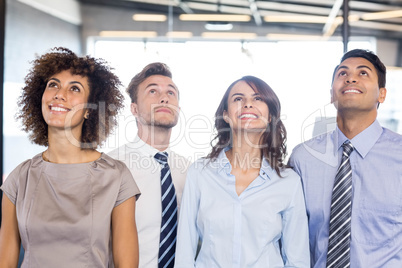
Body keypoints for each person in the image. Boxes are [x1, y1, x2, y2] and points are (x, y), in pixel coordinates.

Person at [0, 47, 140, 268]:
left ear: (89, 110)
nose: (59, 94)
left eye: (74, 88)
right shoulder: (20, 178)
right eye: (53, 84)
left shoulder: (116, 177)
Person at [175, 75, 310, 267]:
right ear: (226, 115)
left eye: (258, 99)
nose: (247, 104)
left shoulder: (289, 181)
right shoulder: (200, 173)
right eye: (238, 99)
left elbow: (298, 260)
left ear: (270, 116)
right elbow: (184, 255)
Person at [289, 49, 402, 267]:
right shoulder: (303, 159)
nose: (350, 78)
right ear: (332, 94)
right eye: (342, 73)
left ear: (382, 94)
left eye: (363, 73)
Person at [108, 62, 190, 268]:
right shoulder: (110, 167)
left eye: (171, 93)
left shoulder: (189, 171)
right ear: (134, 109)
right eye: (152, 91)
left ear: (178, 109)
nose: (164, 97)